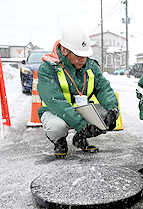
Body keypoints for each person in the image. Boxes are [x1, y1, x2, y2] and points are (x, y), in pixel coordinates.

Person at [37, 24, 119, 157]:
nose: (83, 59)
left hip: (82, 109)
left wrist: (113, 109)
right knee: (56, 127)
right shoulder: (48, 68)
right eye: (79, 55)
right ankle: (59, 141)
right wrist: (83, 125)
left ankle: (80, 138)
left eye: (85, 55)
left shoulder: (91, 66)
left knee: (108, 115)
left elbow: (104, 88)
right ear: (64, 50)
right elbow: (56, 102)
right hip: (56, 112)